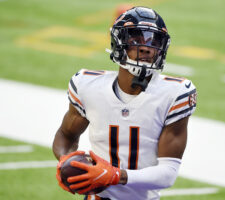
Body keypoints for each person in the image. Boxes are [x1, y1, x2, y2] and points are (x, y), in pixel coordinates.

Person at [53, 6, 197, 200]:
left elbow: (168, 173)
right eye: (136, 39)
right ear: (119, 42)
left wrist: (115, 175)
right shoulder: (87, 86)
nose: (146, 47)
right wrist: (67, 161)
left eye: (153, 40)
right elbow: (65, 134)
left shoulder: (174, 94)